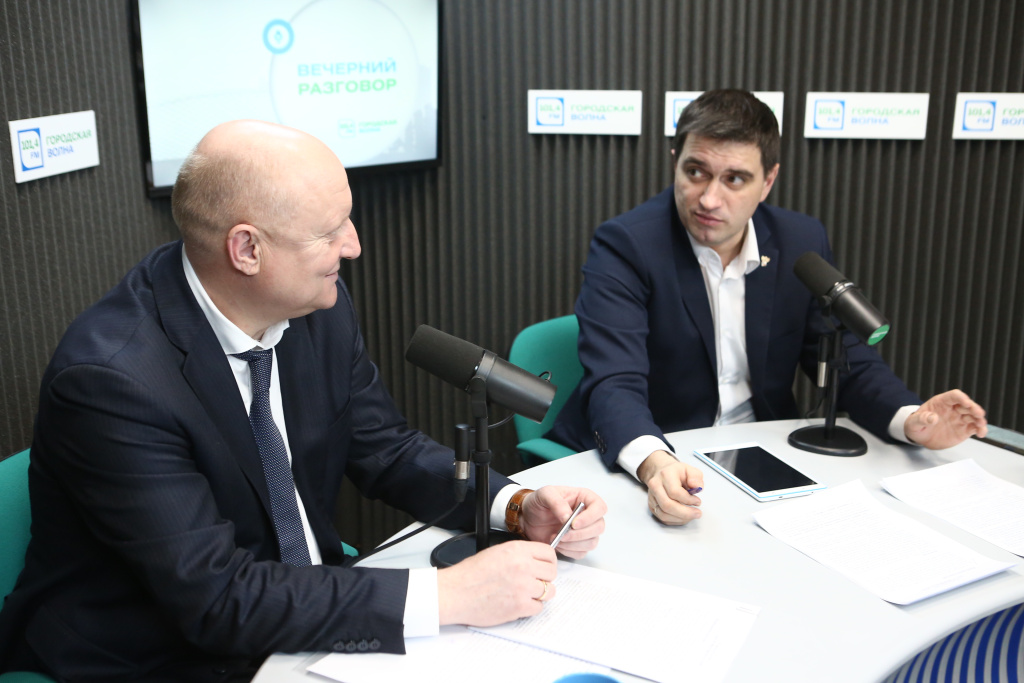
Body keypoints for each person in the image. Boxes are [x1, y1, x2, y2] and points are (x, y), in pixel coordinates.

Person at [0, 120, 607, 682]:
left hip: (301, 610)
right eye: (329, 232)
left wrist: (513, 505)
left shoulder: (314, 305)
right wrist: (449, 596)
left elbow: (386, 448)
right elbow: (217, 600)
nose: (354, 246)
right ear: (247, 250)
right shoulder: (111, 381)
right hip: (163, 656)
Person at [546, 89, 986, 526]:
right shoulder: (627, 244)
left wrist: (912, 420)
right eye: (695, 172)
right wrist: (655, 463)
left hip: (760, 456)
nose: (709, 199)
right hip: (660, 450)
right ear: (675, 161)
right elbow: (614, 383)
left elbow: (847, 360)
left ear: (768, 181)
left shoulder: (800, 241)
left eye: (735, 179)